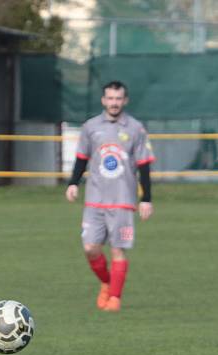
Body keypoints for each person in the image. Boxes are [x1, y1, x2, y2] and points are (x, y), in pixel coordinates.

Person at [66, 81, 155, 312]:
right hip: (95, 199)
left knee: (118, 249)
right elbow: (82, 157)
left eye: (118, 99)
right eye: (110, 98)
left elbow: (144, 166)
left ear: (125, 101)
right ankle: (106, 281)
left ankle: (114, 298)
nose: (114, 103)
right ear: (103, 100)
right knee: (90, 248)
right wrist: (73, 183)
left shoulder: (136, 128)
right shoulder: (91, 127)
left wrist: (146, 198)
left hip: (123, 201)